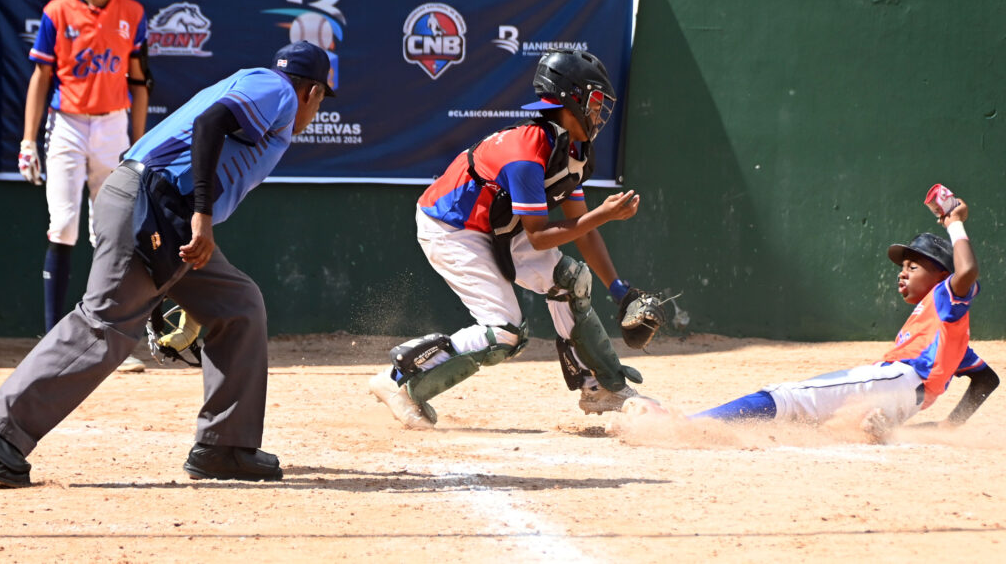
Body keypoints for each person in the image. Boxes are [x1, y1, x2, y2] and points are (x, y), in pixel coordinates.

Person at [0, 41, 336, 488]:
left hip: (164, 214)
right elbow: (210, 125)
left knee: (238, 306)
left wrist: (172, 277)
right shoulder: (279, 89)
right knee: (105, 325)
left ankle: (224, 446)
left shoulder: (256, 84)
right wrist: (204, 218)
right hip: (150, 203)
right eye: (321, 99)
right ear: (314, 93)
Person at [369, 48, 669, 430]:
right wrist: (604, 213)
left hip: (499, 227)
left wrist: (620, 290)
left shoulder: (567, 151)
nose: (599, 113)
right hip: (453, 228)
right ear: (569, 100)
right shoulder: (527, 152)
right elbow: (541, 237)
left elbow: (582, 228)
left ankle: (603, 388)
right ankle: (399, 383)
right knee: (505, 333)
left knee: (570, 281)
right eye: (594, 101)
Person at [620, 199, 997, 441]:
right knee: (819, 423)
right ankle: (871, 429)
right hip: (904, 399)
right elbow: (986, 377)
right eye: (903, 267)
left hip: (899, 380)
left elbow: (965, 274)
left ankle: (679, 423)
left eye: (913, 267)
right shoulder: (945, 332)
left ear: (940, 276)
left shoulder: (946, 295)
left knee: (785, 397)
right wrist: (950, 426)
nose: (902, 273)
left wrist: (955, 223)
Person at [18, 0, 150, 373]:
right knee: (64, 224)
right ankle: (53, 340)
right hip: (68, 125)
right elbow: (41, 78)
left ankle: (109, 340)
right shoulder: (58, 10)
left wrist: (139, 141)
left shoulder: (133, 13)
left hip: (113, 124)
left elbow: (138, 80)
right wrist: (28, 139)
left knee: (112, 231)